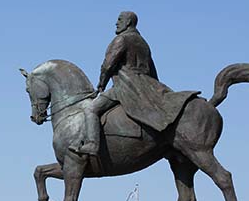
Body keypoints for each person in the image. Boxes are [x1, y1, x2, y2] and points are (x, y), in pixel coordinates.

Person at [71, 11, 198, 156]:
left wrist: (101, 84)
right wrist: (155, 87)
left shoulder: (121, 39)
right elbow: (152, 69)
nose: (116, 23)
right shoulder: (143, 42)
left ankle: (92, 144)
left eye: (119, 20)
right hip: (146, 85)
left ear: (128, 22)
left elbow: (107, 65)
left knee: (90, 109)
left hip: (125, 86)